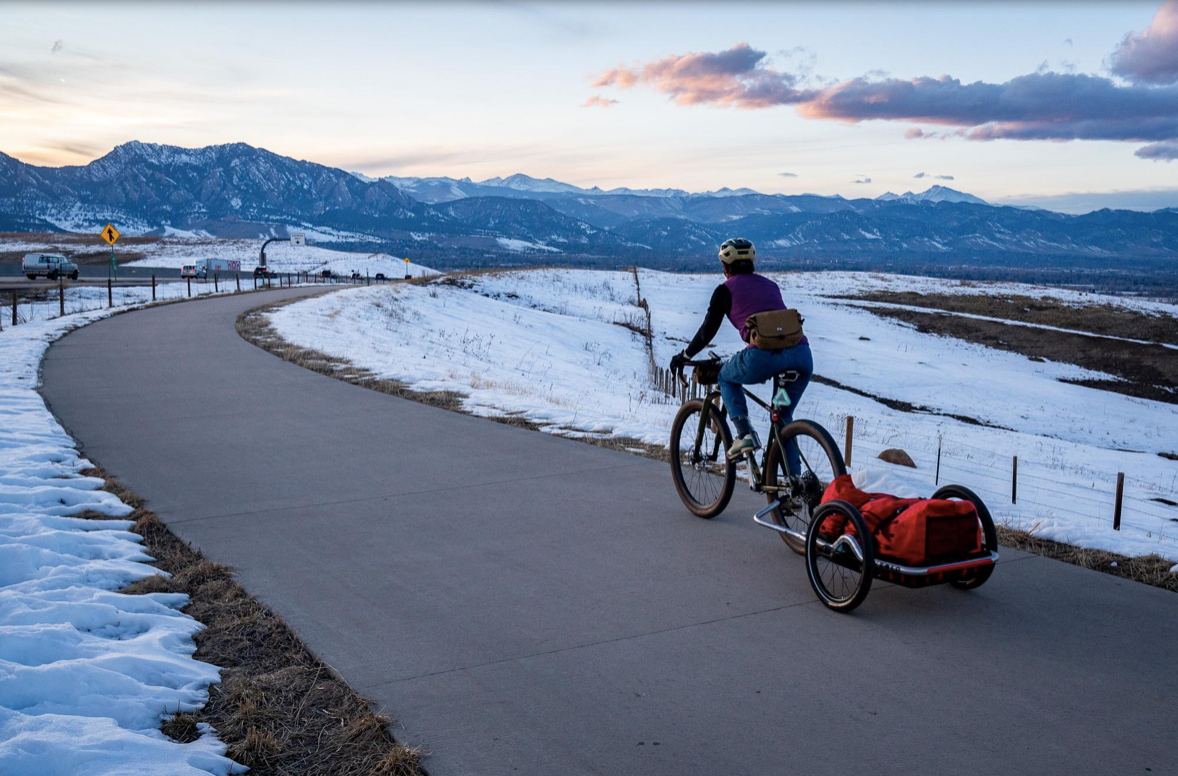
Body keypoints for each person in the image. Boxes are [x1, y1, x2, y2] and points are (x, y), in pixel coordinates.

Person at [670, 238, 813, 464]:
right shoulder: (770, 285)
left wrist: (685, 355)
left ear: (725, 268)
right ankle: (795, 485)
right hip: (801, 357)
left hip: (763, 358)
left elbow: (707, 331)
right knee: (783, 418)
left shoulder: (724, 290)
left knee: (725, 376)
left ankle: (744, 434)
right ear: (752, 264)